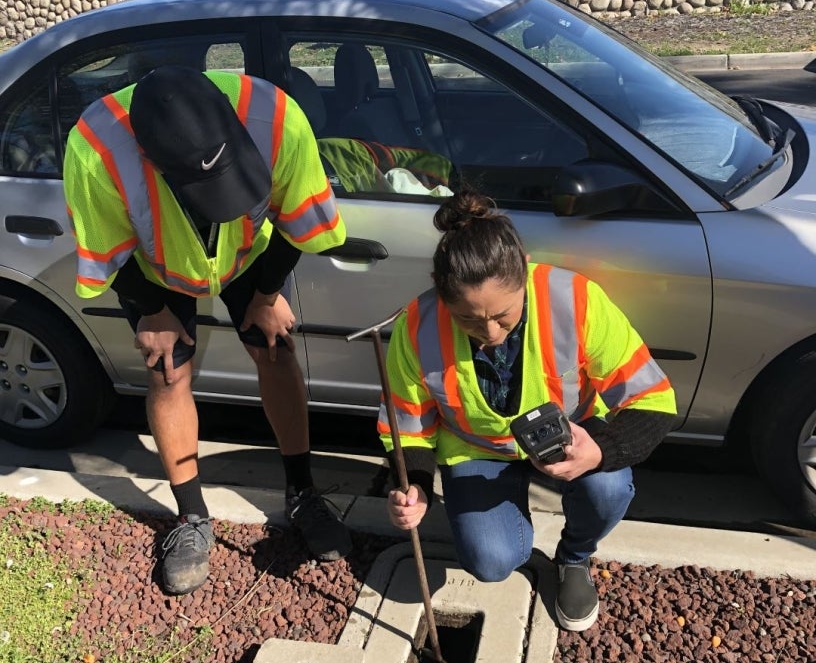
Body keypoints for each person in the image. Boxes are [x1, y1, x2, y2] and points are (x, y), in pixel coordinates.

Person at [63, 65, 352, 596]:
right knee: (167, 375)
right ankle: (192, 517)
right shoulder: (93, 150)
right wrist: (152, 310)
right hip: (156, 271)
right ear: (151, 156)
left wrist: (267, 296)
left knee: (275, 349)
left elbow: (300, 217)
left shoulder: (277, 119)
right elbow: (106, 247)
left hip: (249, 257)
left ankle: (303, 493)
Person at [380, 189, 677, 632]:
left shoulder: (575, 300)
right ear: (441, 294)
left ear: (524, 271)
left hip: (571, 435)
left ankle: (574, 558)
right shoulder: (416, 325)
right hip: (477, 450)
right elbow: (405, 428)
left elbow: (653, 401)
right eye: (468, 320)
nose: (489, 333)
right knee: (493, 561)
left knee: (609, 489)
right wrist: (417, 485)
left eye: (503, 315)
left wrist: (599, 452)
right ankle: (508, 536)